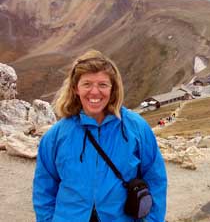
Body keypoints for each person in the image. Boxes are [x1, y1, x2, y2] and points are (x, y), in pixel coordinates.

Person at [32, 50, 167, 222]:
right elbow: (44, 189)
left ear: (113, 89)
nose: (95, 92)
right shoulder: (56, 136)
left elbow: (155, 180)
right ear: (75, 88)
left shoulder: (136, 128)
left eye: (103, 85)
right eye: (87, 84)